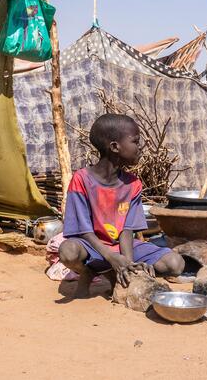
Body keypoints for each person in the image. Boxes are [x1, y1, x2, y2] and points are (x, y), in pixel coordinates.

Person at [58, 114, 185, 298]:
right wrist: (111, 257)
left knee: (176, 263)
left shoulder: (133, 185)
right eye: (135, 141)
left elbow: (127, 229)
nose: (140, 148)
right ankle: (87, 273)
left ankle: (115, 275)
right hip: (90, 246)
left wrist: (128, 264)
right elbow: (84, 230)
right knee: (68, 252)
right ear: (115, 147)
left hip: (120, 247)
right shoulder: (82, 179)